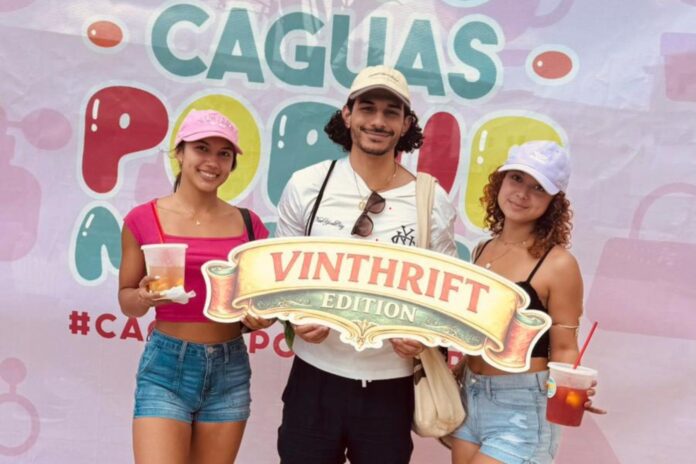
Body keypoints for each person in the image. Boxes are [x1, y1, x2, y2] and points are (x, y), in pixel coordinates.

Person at [274, 65, 458, 463]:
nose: (378, 121)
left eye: (391, 112)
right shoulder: (308, 185)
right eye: (367, 108)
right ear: (347, 114)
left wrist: (423, 336)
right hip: (314, 380)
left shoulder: (431, 200)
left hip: (390, 389)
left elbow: (443, 301)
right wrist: (295, 317)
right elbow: (278, 281)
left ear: (406, 124)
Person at [118, 109, 272, 463]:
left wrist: (262, 318)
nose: (212, 162)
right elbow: (127, 302)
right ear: (180, 152)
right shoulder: (143, 218)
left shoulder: (250, 225)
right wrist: (143, 296)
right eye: (202, 148)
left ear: (232, 163)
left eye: (224, 153)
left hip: (230, 369)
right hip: (165, 367)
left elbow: (264, 304)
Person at [450, 141, 606, 464]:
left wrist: (569, 387)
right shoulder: (482, 249)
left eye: (538, 188)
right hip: (470, 394)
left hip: (521, 408)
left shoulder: (558, 264)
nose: (522, 193)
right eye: (516, 178)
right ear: (500, 181)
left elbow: (564, 347)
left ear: (554, 202)